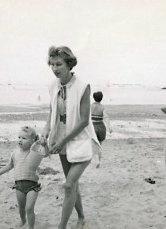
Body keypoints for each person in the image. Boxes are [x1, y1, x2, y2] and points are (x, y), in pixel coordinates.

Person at [42, 46, 101, 229]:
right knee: (72, 184)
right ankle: (81, 217)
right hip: (60, 138)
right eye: (52, 64)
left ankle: (62, 226)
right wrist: (46, 130)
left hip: (81, 140)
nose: (54, 68)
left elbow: (84, 121)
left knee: (68, 186)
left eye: (58, 64)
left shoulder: (83, 86)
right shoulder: (53, 86)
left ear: (69, 63)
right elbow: (53, 111)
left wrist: (63, 141)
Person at [0, 126, 48, 229]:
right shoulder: (15, 153)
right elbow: (10, 165)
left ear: (32, 141)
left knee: (29, 208)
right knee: (22, 208)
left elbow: (46, 153)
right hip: (19, 185)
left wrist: (45, 145)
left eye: (24, 138)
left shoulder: (34, 151)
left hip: (32, 185)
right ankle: (23, 221)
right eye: (19, 137)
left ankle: (31, 227)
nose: (20, 140)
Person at [91, 91, 113, 168]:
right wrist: (109, 127)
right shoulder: (103, 107)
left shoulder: (90, 106)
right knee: (100, 145)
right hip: (101, 127)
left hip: (93, 127)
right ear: (101, 98)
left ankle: (96, 160)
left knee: (94, 146)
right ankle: (99, 161)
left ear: (93, 98)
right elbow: (106, 118)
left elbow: (85, 118)